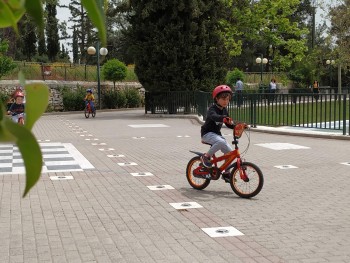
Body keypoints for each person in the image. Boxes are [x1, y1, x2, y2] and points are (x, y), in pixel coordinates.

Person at [200, 85, 235, 182]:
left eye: (228, 99)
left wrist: (236, 126)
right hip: (207, 133)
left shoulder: (224, 110)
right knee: (221, 142)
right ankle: (206, 157)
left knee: (230, 153)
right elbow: (214, 116)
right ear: (216, 99)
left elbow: (228, 123)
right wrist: (222, 118)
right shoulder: (212, 109)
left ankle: (227, 173)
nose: (226, 101)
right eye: (223, 99)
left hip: (216, 135)